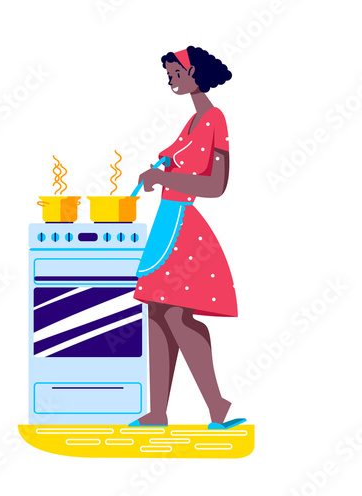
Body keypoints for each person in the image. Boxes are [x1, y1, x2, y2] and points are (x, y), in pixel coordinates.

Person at [130, 46, 245, 429]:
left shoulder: (215, 119)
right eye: (169, 75)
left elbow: (216, 185)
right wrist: (159, 172)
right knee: (157, 313)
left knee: (178, 315)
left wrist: (163, 177)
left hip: (185, 227)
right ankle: (158, 412)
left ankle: (217, 405)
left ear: (195, 73)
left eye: (176, 73)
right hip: (167, 222)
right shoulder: (191, 123)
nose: (171, 80)